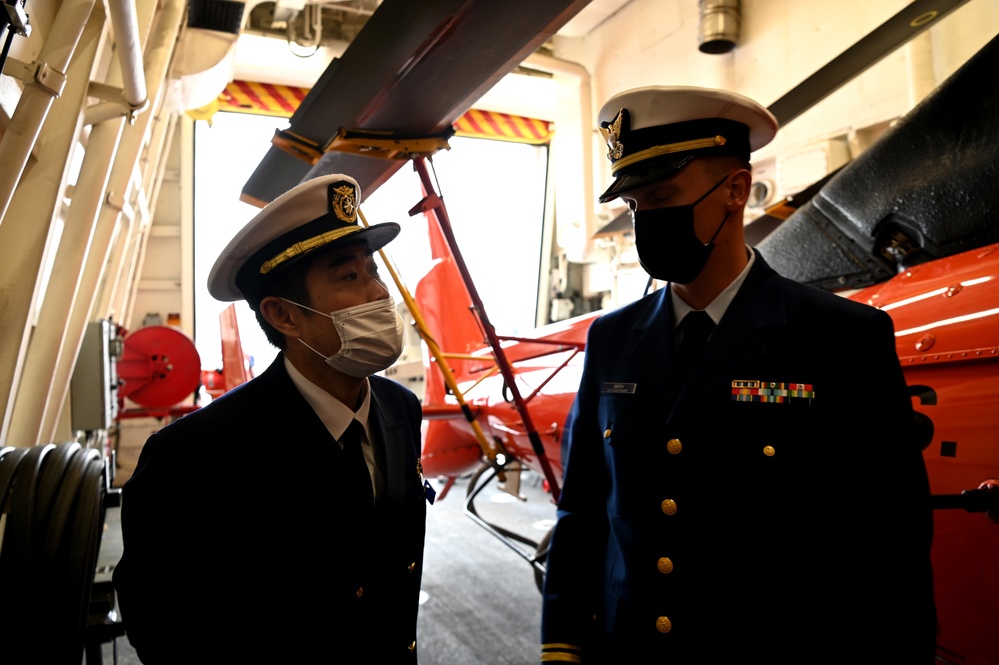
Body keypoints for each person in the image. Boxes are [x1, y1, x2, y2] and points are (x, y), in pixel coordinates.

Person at [540, 86, 937, 663]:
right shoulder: (612, 341)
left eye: (662, 195)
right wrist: (564, 647)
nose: (645, 219)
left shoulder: (842, 338)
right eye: (634, 205)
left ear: (735, 189)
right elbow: (582, 511)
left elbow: (890, 542)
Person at [113, 173, 434, 663]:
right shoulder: (196, 454)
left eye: (373, 271)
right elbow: (160, 624)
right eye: (349, 276)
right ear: (283, 315)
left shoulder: (399, 409)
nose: (378, 293)